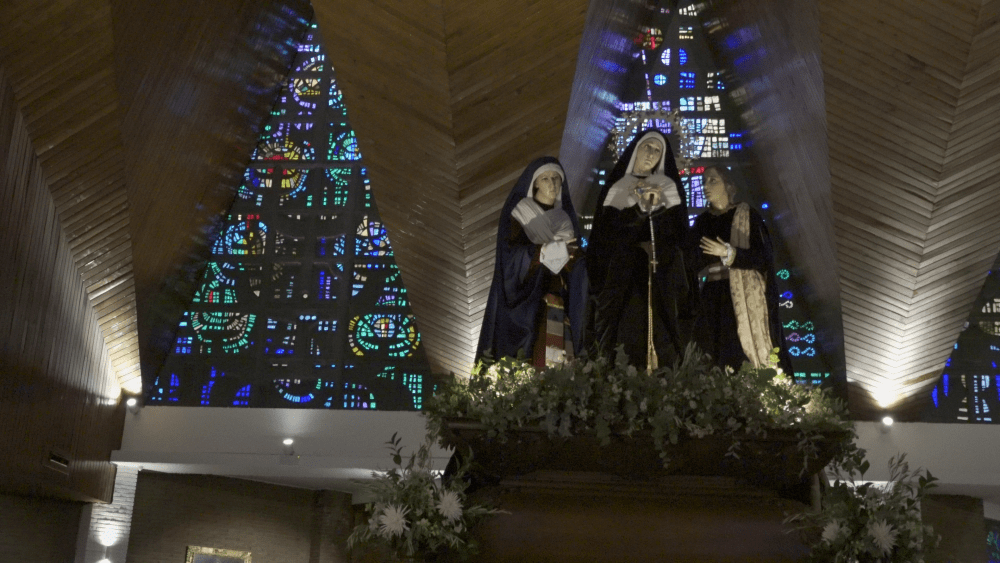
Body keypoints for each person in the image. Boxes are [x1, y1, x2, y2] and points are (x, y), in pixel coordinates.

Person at [588, 129, 692, 369]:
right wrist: (638, 212)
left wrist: (657, 212)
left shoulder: (667, 185)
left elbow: (679, 233)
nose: (652, 153)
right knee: (623, 334)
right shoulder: (617, 186)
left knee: (662, 334)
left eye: (658, 151)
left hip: (660, 274)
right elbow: (605, 235)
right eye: (648, 147)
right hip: (621, 277)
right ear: (636, 149)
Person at [476, 157, 588, 366]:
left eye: (556, 179)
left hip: (558, 300)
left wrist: (574, 259)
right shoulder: (520, 214)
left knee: (559, 367)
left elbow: (574, 265)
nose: (552, 184)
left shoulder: (564, 219)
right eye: (546, 178)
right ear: (534, 183)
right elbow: (510, 258)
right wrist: (544, 252)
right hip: (526, 304)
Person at [688, 165, 790, 371]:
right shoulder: (701, 222)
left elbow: (763, 257)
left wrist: (727, 253)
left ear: (729, 185)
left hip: (745, 297)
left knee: (739, 352)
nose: (705, 186)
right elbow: (690, 261)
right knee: (711, 352)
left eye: (713, 180)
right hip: (712, 296)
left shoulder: (748, 216)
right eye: (704, 181)